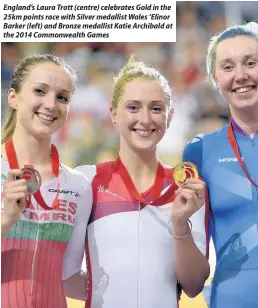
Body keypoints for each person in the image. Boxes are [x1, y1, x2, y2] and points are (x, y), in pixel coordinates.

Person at [62, 56, 210, 308]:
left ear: (170, 116)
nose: (145, 119)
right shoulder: (86, 180)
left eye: (156, 108)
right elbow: (66, 276)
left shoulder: (186, 186)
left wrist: (179, 224)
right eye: (133, 107)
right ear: (114, 114)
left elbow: (194, 285)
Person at [182, 22, 258, 308]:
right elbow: (193, 251)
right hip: (233, 299)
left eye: (251, 63)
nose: (240, 75)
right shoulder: (199, 150)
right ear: (215, 78)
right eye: (227, 67)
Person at [1, 54, 92, 308]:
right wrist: (5, 221)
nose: (51, 104)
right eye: (40, 91)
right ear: (14, 97)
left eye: (62, 97)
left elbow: (69, 277)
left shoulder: (79, 185)